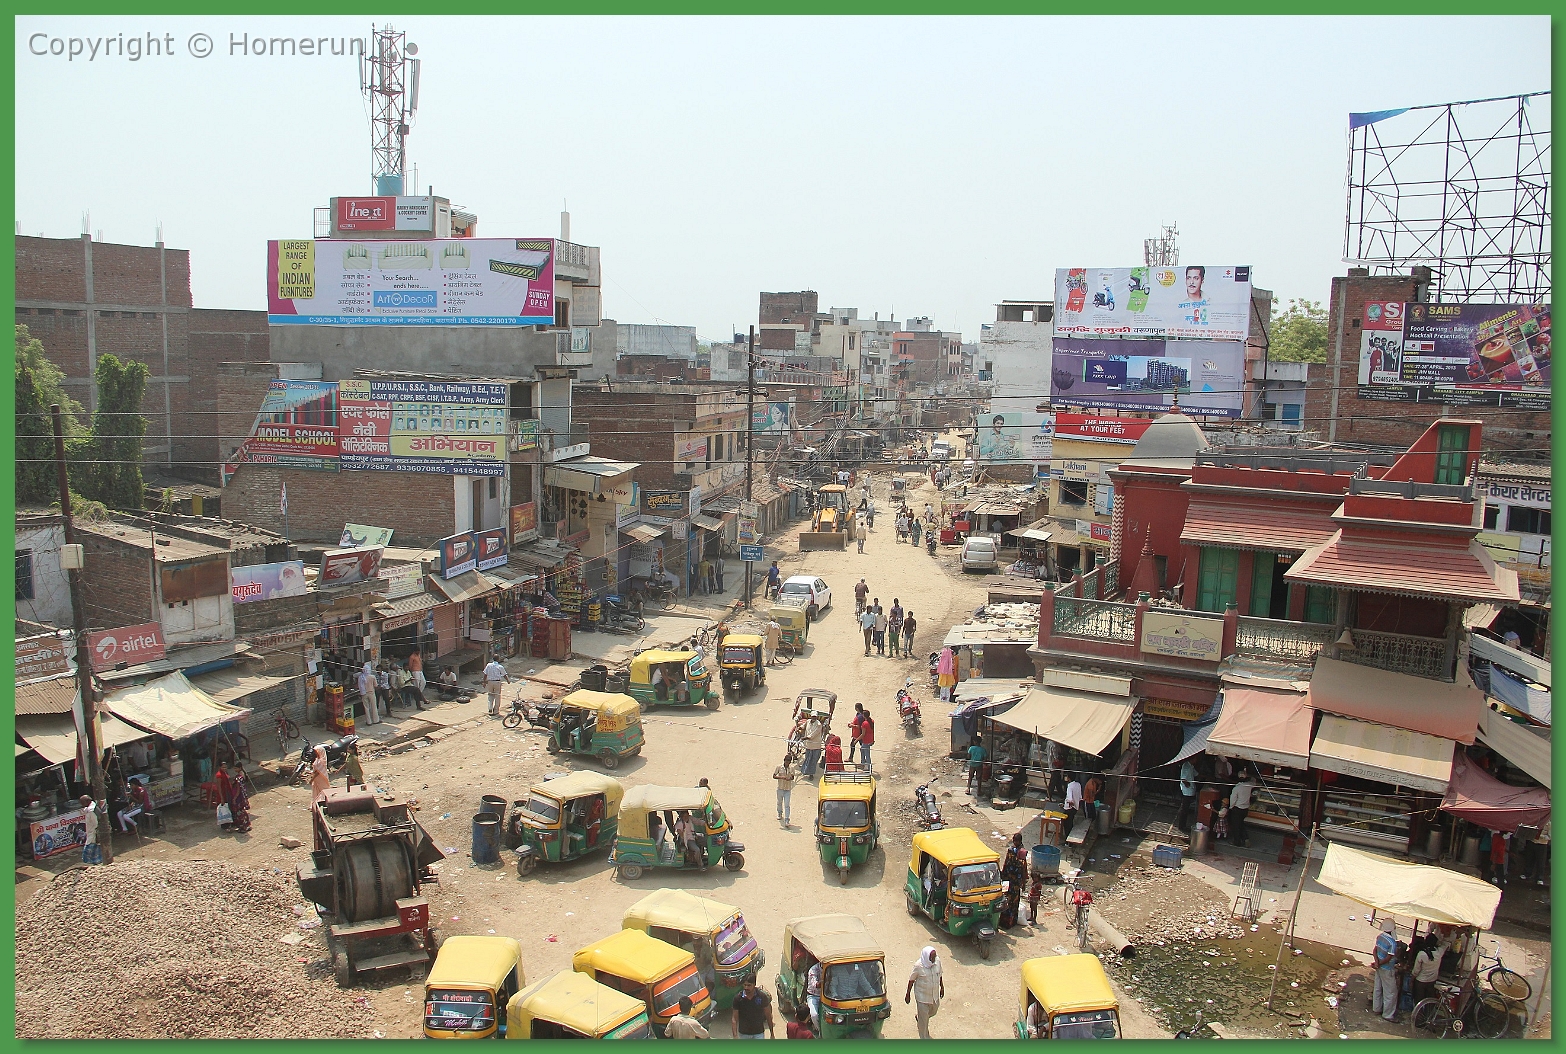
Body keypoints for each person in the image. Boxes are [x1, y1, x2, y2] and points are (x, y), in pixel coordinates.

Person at [904, 947, 945, 1040]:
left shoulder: (937, 961)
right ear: (926, 957)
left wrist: (942, 987)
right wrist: (908, 994)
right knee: (924, 1022)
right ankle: (924, 1037)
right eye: (932, 957)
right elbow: (911, 980)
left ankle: (921, 1017)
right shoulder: (918, 966)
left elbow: (940, 974)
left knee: (934, 1011)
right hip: (922, 997)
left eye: (934, 957)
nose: (933, 959)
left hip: (934, 995)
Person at [1371, 919, 1400, 1022]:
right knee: (1390, 992)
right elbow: (1388, 958)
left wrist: (1376, 963)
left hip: (1379, 967)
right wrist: (1379, 963)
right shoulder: (1392, 943)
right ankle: (1388, 1014)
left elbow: (1375, 950)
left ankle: (1376, 1009)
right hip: (1387, 969)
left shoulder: (1380, 937)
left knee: (1378, 988)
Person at [1410, 933, 1452, 1004]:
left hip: (1420, 981)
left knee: (1419, 1002)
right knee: (1429, 1002)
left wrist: (1412, 979)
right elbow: (1446, 944)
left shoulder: (1421, 954)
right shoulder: (1439, 952)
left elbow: (1416, 971)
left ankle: (1419, 1011)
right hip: (1432, 981)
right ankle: (1428, 1011)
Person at [732, 975, 776, 1039]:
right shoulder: (738, 999)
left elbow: (768, 1015)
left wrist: (772, 1034)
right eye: (745, 985)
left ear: (754, 984)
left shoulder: (762, 997)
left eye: (749, 985)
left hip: (758, 1033)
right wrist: (735, 1035)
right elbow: (734, 1018)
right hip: (744, 1034)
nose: (746, 987)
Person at [1000, 833, 1028, 928]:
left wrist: (1023, 882)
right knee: (1007, 900)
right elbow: (1006, 863)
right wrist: (1003, 875)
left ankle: (1011, 922)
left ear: (1020, 841)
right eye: (1014, 840)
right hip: (1009, 879)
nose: (1015, 842)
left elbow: (1024, 867)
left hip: (1016, 881)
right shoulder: (1011, 850)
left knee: (1013, 902)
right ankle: (1005, 922)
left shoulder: (1022, 852)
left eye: (1017, 841)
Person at [1229, 771, 1255, 848]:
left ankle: (1237, 841)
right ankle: (1246, 839)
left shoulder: (1236, 788)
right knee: (1241, 824)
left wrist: (1231, 807)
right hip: (1245, 809)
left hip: (1237, 809)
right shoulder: (1249, 785)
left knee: (1236, 826)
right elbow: (1254, 780)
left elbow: (1233, 800)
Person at [227, 762, 253, 833]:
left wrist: (234, 798)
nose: (235, 770)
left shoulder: (239, 778)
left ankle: (243, 827)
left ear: (239, 768)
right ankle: (247, 825)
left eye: (236, 768)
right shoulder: (242, 775)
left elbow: (238, 789)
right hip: (242, 796)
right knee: (243, 811)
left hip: (239, 797)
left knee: (240, 812)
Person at [79, 795, 105, 865]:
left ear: (88, 801)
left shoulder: (91, 811)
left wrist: (97, 834)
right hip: (91, 832)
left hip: (93, 833)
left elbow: (96, 823)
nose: (82, 804)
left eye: (82, 802)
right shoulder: (91, 807)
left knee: (89, 852)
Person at [774, 753, 796, 827]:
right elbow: (774, 776)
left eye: (788, 762)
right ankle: (779, 813)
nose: (787, 763)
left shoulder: (791, 768)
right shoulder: (779, 767)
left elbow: (792, 777)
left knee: (787, 804)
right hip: (780, 788)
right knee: (779, 802)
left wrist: (789, 778)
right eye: (786, 761)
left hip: (787, 789)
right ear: (784, 761)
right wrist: (782, 777)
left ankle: (787, 819)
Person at [1177, 759, 1198, 832]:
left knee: (1186, 808)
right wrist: (1187, 784)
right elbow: (1183, 779)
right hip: (1186, 791)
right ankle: (1182, 826)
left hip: (1190, 790)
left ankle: (1183, 825)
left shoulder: (1191, 766)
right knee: (1184, 809)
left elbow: (1196, 774)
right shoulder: (1186, 766)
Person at [356, 661, 380, 726]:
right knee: (374, 707)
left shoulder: (361, 677)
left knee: (366, 708)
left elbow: (359, 686)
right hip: (371, 693)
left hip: (364, 694)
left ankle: (369, 722)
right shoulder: (372, 677)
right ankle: (376, 720)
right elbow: (376, 685)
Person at [804, 961, 823, 1034]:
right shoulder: (813, 969)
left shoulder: (831, 968)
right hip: (813, 996)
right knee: (814, 1015)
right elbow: (815, 985)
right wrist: (826, 980)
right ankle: (820, 1032)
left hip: (826, 996)